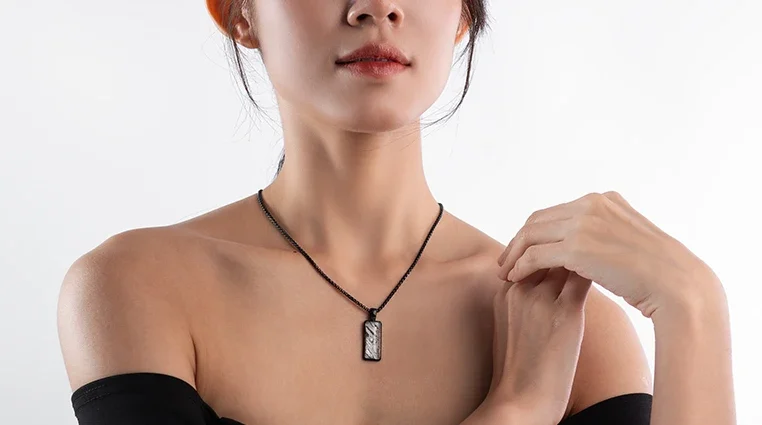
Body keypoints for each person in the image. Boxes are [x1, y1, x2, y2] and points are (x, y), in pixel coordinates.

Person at [57, 0, 736, 424]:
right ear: (239, 13)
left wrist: (694, 307)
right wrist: (518, 407)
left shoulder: (574, 321)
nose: (376, 7)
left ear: (463, 14)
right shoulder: (138, 286)